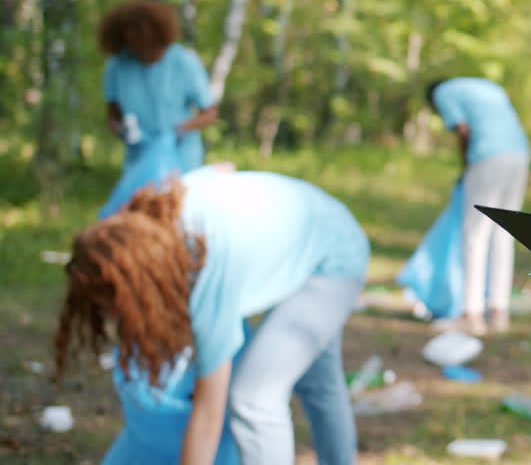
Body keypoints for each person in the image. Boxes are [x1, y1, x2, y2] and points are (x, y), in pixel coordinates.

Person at [54, 167, 370, 465]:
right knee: (319, 384)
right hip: (323, 227)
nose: (114, 314)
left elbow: (208, 413)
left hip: (332, 261)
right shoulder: (163, 213)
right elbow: (222, 168)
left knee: (254, 398)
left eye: (116, 303)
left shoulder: (208, 271)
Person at [425, 76, 531, 336]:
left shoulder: (443, 92)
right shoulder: (489, 87)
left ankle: (470, 314)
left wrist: (466, 165)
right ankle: (498, 311)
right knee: (503, 234)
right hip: (520, 154)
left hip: (488, 155)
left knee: (474, 235)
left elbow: (463, 130)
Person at [98, 0, 217, 173]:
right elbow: (112, 116)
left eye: (148, 45)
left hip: (182, 154)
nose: (143, 52)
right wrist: (122, 131)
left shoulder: (184, 62)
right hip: (139, 156)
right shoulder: (117, 66)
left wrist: (179, 130)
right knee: (142, 199)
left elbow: (210, 112)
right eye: (134, 46)